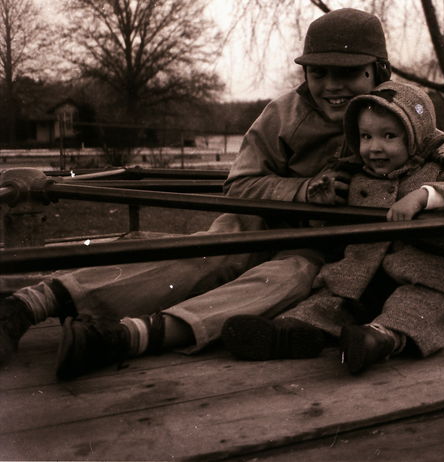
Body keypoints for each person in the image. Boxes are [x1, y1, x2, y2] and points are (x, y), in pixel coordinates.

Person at [0, 8, 401, 380]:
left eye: (347, 73)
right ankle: (31, 303)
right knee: (209, 253)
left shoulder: (403, 115)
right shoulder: (283, 114)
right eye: (318, 72)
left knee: (293, 275)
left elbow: (443, 173)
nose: (331, 86)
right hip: (260, 226)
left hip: (326, 253)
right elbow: (240, 185)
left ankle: (128, 336)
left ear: (377, 71)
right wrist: (304, 190)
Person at [221, 81, 444, 374]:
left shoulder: (442, 165)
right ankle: (291, 333)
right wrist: (323, 199)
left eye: (389, 136)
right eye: (366, 136)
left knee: (422, 307)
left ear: (416, 135)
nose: (374, 148)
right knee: (330, 301)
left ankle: (381, 339)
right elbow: (328, 222)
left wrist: (424, 196)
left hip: (433, 275)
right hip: (365, 275)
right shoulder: (354, 173)